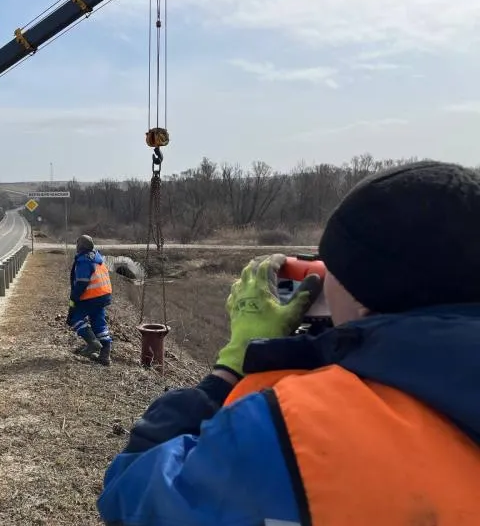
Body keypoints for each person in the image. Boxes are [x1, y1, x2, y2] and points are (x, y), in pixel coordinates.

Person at [96, 160, 480, 525]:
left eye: (330, 268)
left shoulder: (294, 431)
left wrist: (233, 366)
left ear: (363, 298)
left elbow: (132, 495)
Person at [67, 234, 114, 366]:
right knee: (99, 323)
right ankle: (105, 355)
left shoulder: (84, 260)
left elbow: (81, 283)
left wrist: (74, 300)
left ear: (80, 247)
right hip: (103, 296)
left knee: (75, 319)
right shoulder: (97, 257)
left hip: (90, 297)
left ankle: (93, 343)